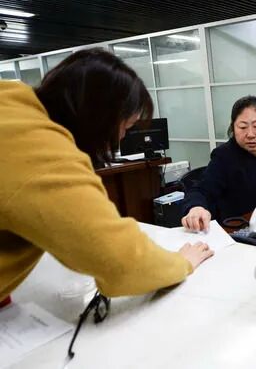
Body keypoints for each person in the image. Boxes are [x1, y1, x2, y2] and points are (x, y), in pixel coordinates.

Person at [0, 48, 213, 304]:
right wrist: (181, 263)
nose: (121, 138)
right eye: (126, 127)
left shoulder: (10, 100)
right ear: (99, 119)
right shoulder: (43, 154)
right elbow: (121, 262)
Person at [181, 96, 256, 232]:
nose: (250, 134)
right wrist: (196, 208)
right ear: (233, 128)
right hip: (244, 229)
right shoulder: (225, 156)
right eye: (242, 127)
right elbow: (201, 189)